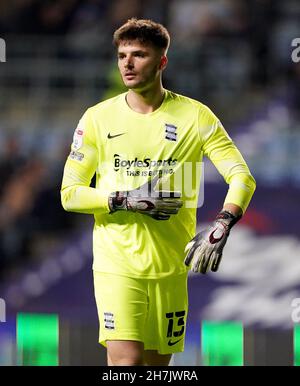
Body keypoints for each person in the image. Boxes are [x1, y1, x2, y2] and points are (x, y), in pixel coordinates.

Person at [60, 18, 256, 366]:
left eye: (139, 55)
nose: (128, 63)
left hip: (170, 267)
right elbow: (70, 193)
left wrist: (222, 224)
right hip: (117, 264)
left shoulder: (196, 116)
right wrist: (123, 199)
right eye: (122, 55)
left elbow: (242, 176)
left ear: (162, 62)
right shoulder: (97, 118)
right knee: (126, 363)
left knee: (156, 367)